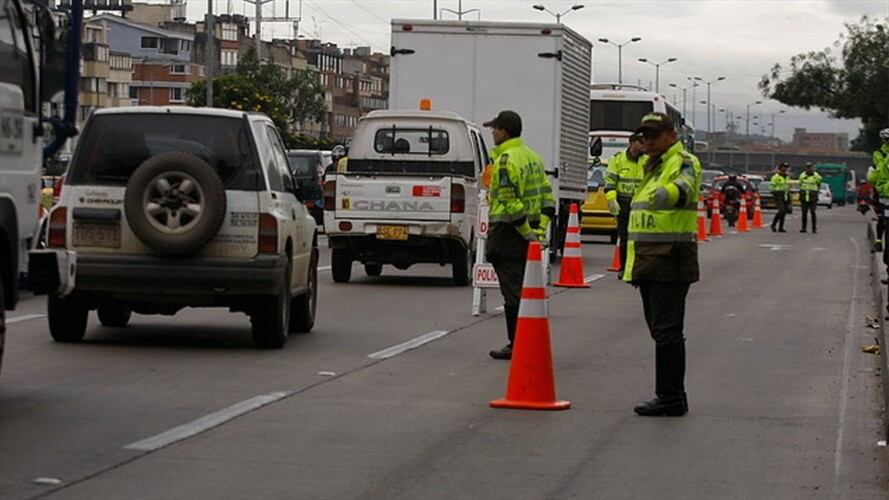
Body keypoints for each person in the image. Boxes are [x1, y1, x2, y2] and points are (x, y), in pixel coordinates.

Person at [622, 112, 701, 417]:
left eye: (655, 135)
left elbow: (684, 188)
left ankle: (671, 397)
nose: (649, 141)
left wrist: (665, 194)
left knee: (667, 331)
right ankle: (671, 395)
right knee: (659, 329)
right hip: (651, 258)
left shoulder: (682, 161)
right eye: (645, 136)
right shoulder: (651, 166)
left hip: (670, 256)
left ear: (672, 135)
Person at [483, 110, 552, 360]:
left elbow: (510, 203)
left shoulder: (505, 161)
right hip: (526, 232)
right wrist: (538, 231)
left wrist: (527, 234)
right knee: (524, 287)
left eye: (495, 128)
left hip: (509, 233)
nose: (493, 133)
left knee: (513, 292)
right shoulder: (533, 158)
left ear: (505, 131)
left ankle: (517, 343)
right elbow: (548, 199)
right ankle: (526, 340)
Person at [604, 133, 644, 275]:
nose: (643, 145)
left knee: (640, 238)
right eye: (640, 142)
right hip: (624, 203)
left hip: (642, 205)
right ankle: (625, 268)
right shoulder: (618, 160)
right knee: (625, 237)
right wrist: (612, 200)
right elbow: (610, 183)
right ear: (632, 143)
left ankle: (639, 268)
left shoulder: (648, 160)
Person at [797, 162, 822, 233]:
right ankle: (803, 228)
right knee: (804, 213)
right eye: (808, 167)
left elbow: (819, 183)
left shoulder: (816, 175)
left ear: (813, 168)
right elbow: (800, 184)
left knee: (813, 212)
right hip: (804, 195)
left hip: (813, 195)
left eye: (810, 167)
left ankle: (814, 228)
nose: (809, 169)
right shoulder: (802, 175)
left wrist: (815, 191)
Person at [769, 163, 791, 232]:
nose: (785, 169)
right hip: (778, 195)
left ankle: (781, 227)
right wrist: (774, 193)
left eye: (786, 167)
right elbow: (772, 186)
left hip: (786, 195)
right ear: (780, 168)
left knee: (784, 212)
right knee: (781, 210)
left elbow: (788, 186)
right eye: (784, 167)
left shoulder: (787, 177)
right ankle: (773, 224)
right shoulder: (776, 177)